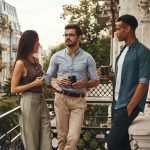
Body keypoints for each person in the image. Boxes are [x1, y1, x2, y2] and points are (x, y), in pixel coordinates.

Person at [101, 14, 150, 150]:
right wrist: (110, 77)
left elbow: (143, 83)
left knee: (112, 143)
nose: (115, 32)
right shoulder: (123, 51)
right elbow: (123, 76)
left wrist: (130, 106)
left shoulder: (143, 52)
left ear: (127, 29)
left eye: (118, 29)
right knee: (122, 144)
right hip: (117, 102)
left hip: (127, 105)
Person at [47, 24, 99, 150]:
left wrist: (84, 84)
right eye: (66, 35)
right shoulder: (56, 56)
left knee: (73, 138)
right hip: (61, 98)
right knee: (62, 138)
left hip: (78, 101)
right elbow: (47, 78)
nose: (67, 37)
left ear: (79, 37)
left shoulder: (88, 58)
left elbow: (95, 81)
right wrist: (58, 80)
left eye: (71, 35)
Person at [11, 30, 52, 150]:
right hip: (29, 101)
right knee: (31, 140)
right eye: (37, 41)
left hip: (41, 100)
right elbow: (13, 89)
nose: (39, 44)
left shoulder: (36, 61)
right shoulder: (20, 63)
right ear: (30, 43)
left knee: (46, 135)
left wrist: (44, 82)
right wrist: (34, 83)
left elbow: (39, 81)